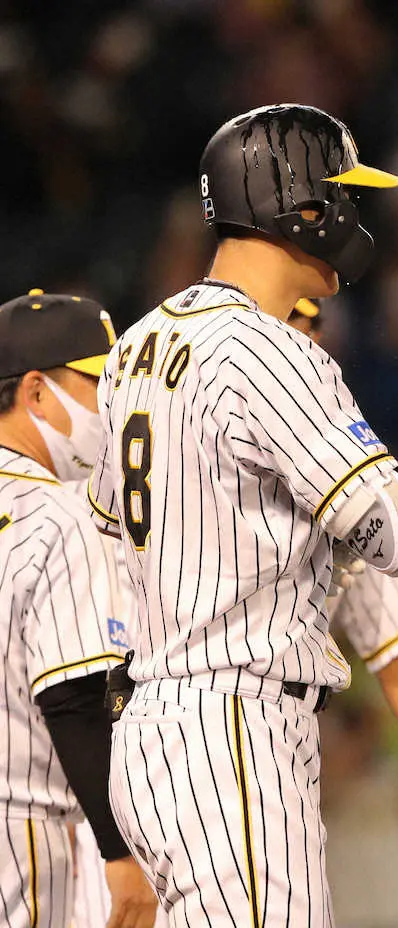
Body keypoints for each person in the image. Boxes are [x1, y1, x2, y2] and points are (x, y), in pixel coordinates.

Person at [86, 103, 398, 926]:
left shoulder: (139, 345)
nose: (354, 217)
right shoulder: (270, 348)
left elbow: (108, 527)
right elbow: (389, 524)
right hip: (234, 724)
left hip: (152, 727)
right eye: (344, 195)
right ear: (303, 206)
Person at [0, 289, 158, 928]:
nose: (114, 406)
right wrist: (121, 855)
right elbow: (78, 696)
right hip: (28, 830)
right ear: (35, 393)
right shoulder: (63, 515)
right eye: (98, 383)